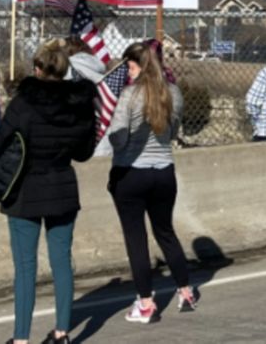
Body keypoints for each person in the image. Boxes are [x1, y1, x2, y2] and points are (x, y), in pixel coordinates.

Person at [0, 39, 97, 344]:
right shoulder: (78, 104)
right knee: (61, 260)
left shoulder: (23, 103)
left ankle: (21, 338)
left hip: (25, 191)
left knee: (25, 268)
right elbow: (84, 152)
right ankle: (62, 332)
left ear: (37, 69)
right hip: (62, 186)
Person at [106, 41, 198, 323]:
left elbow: (119, 138)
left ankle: (146, 303)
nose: (128, 72)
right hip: (164, 172)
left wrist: (111, 131)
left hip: (131, 172)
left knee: (136, 239)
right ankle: (185, 291)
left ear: (141, 65)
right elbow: (171, 134)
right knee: (165, 231)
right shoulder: (173, 93)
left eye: (131, 66)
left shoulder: (130, 96)